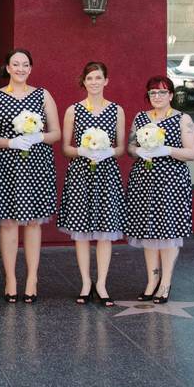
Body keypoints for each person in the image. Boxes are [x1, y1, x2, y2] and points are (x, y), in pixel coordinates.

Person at [0, 48, 60, 304]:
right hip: (6, 165)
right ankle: (11, 278)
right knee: (8, 223)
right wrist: (11, 143)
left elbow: (56, 133)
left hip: (36, 165)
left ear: (30, 68)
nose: (20, 69)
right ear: (7, 68)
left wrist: (38, 136)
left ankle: (31, 278)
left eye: (25, 64)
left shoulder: (42, 95)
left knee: (32, 223)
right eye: (15, 64)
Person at [56, 61, 126, 307]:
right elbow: (65, 148)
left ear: (106, 81)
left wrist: (108, 152)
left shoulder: (116, 110)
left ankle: (102, 284)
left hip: (107, 174)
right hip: (80, 175)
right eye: (90, 78)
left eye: (98, 78)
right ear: (83, 82)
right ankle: (86, 282)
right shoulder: (73, 110)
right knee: (82, 233)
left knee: (105, 233)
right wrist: (82, 151)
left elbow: (121, 147)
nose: (94, 82)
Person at [125, 75, 194, 304]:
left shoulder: (182, 119)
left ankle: (165, 282)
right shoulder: (140, 117)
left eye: (162, 92)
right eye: (153, 93)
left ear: (171, 95)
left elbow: (191, 152)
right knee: (148, 232)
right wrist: (138, 152)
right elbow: (130, 146)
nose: (157, 96)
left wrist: (165, 150)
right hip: (143, 183)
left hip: (171, 183)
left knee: (167, 233)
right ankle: (151, 281)